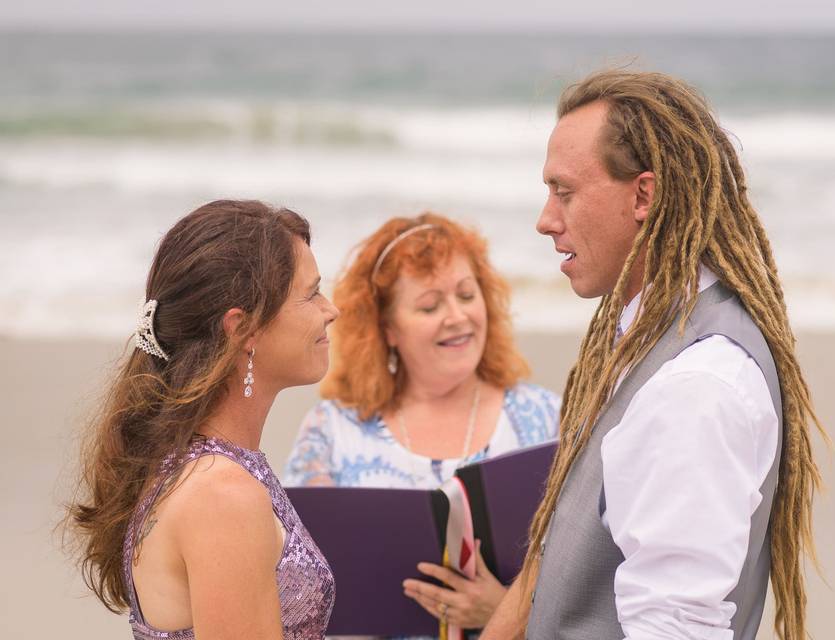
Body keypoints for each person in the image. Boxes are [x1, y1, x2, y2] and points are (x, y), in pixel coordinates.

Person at [481, 71, 827, 640]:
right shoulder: (650, 341)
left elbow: (676, 627)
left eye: (563, 191)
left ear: (644, 195)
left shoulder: (696, 384)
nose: (546, 220)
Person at [66, 200, 340, 640]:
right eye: (311, 293)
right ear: (242, 329)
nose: (331, 309)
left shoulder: (191, 464)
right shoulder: (223, 494)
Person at [284, 212, 560, 639]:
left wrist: (504, 610)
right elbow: (298, 583)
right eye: (430, 305)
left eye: (467, 295)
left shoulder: (546, 418)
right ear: (388, 327)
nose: (457, 316)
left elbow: (588, 570)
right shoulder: (332, 431)